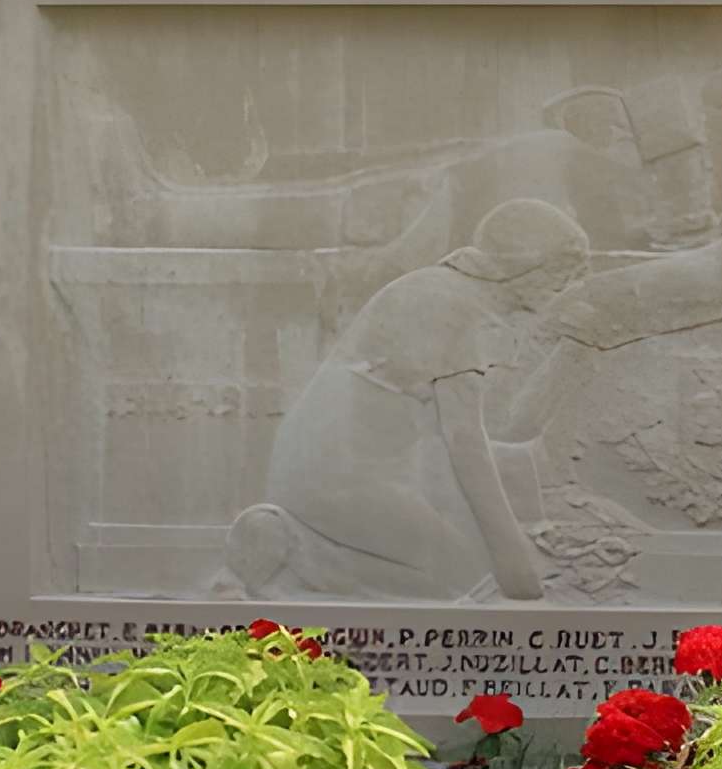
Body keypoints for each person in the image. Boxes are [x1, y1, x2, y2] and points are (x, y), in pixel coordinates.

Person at [229, 199, 593, 601]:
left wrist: (575, 357)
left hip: (341, 467)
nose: (571, 287)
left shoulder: (443, 288)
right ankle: (294, 552)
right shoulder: (458, 307)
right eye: (564, 273)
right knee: (460, 579)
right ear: (527, 266)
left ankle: (295, 545)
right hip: (339, 475)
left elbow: (502, 431)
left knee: (460, 569)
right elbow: (466, 446)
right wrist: (514, 562)